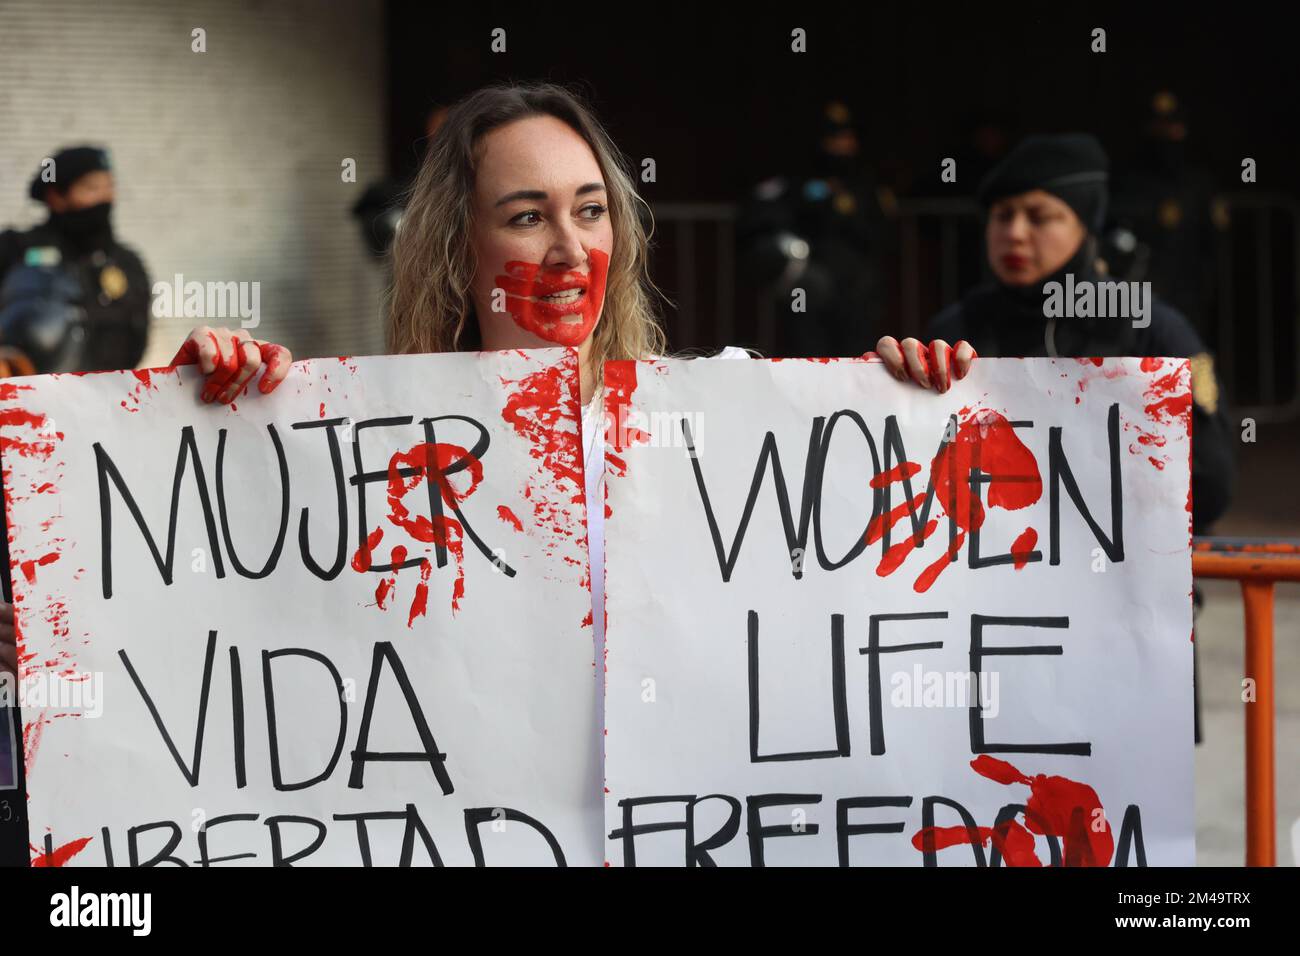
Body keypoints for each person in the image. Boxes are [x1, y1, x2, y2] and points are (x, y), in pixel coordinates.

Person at [874, 132, 1233, 743]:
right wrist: (892, 382)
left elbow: (1214, 482)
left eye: (1041, 217)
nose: (1014, 234)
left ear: (1086, 225)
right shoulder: (956, 330)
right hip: (985, 632)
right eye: (1002, 216)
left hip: (1123, 626)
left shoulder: (1151, 330)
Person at [0, 146, 152, 373]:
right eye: (91, 188)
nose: (105, 197)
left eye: (109, 186)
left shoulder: (127, 262)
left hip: (110, 399)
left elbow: (139, 335)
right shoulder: (15, 248)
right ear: (56, 197)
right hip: (29, 399)